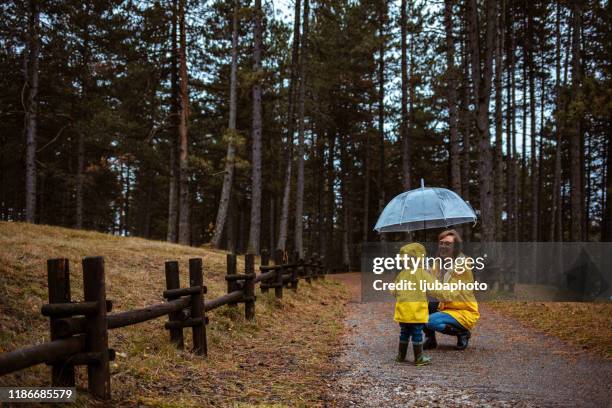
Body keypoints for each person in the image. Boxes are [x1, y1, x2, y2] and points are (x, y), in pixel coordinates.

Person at [424, 229, 479, 350]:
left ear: (456, 247)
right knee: (418, 308)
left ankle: (462, 333)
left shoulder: (462, 265)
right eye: (441, 243)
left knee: (429, 321)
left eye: (448, 244)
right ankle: (430, 339)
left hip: (462, 310)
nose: (443, 246)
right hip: (445, 306)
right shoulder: (438, 263)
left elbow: (448, 294)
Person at [392, 242, 434, 366]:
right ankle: (419, 358)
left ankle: (401, 356)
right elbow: (435, 289)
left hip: (403, 311)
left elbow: (394, 291)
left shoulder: (402, 274)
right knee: (417, 333)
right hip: (416, 311)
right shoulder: (423, 273)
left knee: (404, 332)